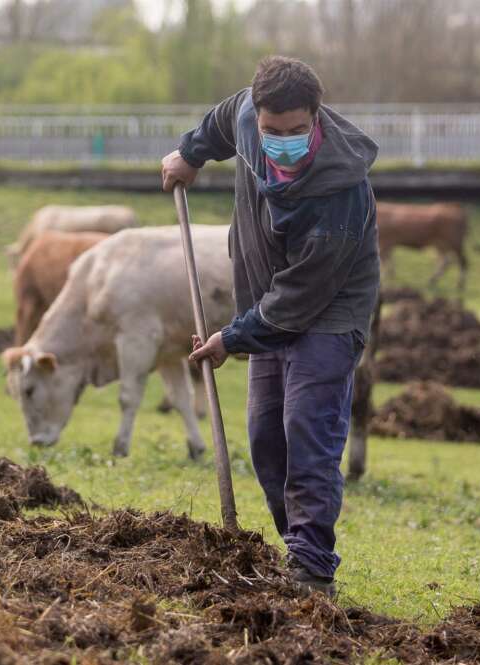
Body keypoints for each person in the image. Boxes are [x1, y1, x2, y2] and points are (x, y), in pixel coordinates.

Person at [161, 56, 380, 596]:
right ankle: (296, 548)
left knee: (308, 429)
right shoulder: (244, 118)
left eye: (296, 131)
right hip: (265, 301)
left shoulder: (341, 191)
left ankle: (310, 567)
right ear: (258, 118)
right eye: (271, 131)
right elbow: (221, 119)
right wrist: (190, 155)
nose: (282, 141)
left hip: (328, 312)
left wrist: (232, 337)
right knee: (265, 439)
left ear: (316, 117)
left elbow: (302, 296)